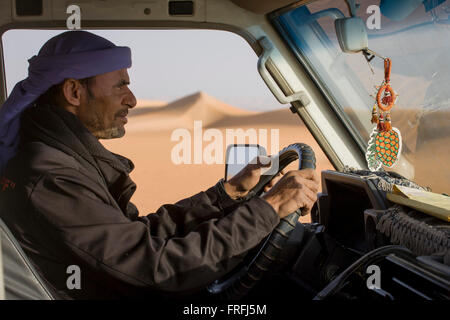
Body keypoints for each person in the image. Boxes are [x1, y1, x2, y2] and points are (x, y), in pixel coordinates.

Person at [0, 31, 319, 299]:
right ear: (73, 92)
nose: (132, 99)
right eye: (120, 85)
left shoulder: (64, 160)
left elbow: (135, 239)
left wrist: (228, 193)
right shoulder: (51, 176)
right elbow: (151, 267)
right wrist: (269, 208)